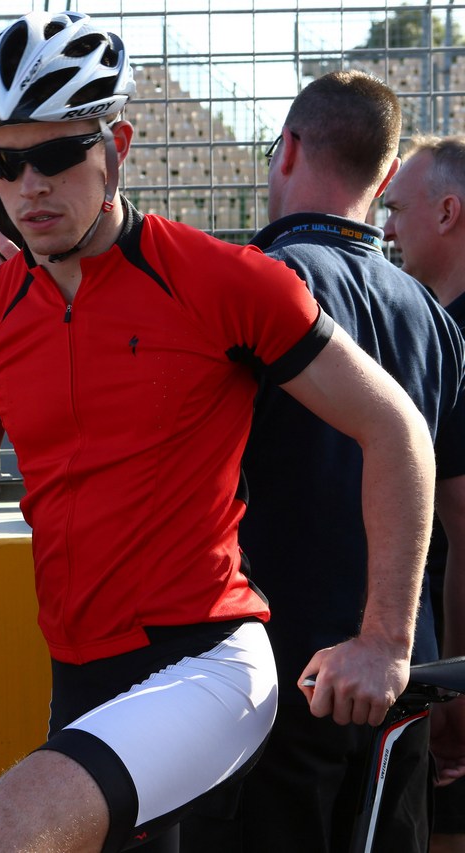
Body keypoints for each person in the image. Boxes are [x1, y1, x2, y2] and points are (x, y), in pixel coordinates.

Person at [0, 12, 438, 853]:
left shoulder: (230, 282)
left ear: (116, 143)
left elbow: (396, 428)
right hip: (80, 675)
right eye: (4, 163)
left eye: (57, 154)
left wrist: (384, 637)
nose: (30, 186)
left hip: (208, 666)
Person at [176, 72, 465, 853]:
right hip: (399, 682)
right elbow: (462, 527)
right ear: (384, 173)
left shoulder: (256, 287)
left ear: (291, 150)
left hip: (265, 681)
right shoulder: (435, 322)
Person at [384, 134, 465, 853]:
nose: (384, 227)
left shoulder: (453, 338)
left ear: (447, 211)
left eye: (397, 208)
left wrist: (453, 686)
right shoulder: (433, 328)